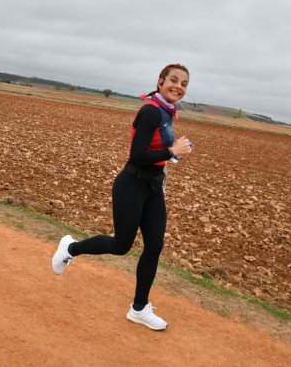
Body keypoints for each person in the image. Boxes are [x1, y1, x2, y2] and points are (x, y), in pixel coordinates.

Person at [51, 63, 193, 330]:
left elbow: (157, 152)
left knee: (154, 246)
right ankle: (70, 248)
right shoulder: (151, 111)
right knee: (121, 245)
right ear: (160, 81)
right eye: (173, 80)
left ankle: (139, 308)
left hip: (152, 187)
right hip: (132, 184)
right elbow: (138, 155)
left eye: (184, 84)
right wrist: (171, 150)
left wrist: (170, 153)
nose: (179, 87)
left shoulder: (166, 111)